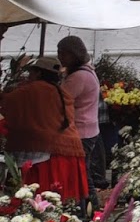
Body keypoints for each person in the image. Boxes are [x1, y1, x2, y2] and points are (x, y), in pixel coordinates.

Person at [1, 62, 89, 205]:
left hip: (45, 153)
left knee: (38, 202)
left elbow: (6, 105)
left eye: (31, 73)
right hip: (69, 151)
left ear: (39, 73)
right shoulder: (60, 91)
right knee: (63, 205)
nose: (29, 76)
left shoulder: (32, 90)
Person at [55, 36, 107, 193]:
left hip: (80, 131)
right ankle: (90, 209)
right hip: (88, 130)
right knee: (84, 173)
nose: (60, 57)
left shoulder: (78, 76)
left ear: (74, 54)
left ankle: (90, 209)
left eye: (63, 53)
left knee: (81, 174)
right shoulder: (87, 71)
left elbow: (59, 102)